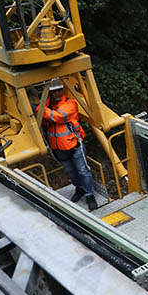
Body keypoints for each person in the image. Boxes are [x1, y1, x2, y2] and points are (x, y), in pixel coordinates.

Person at [39, 78, 97, 211]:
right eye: (54, 91)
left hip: (75, 146)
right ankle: (79, 189)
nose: (58, 93)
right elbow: (46, 123)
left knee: (83, 170)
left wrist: (40, 109)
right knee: (71, 172)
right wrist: (43, 109)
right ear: (49, 93)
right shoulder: (48, 108)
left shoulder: (70, 104)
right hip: (59, 150)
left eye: (60, 90)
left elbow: (58, 117)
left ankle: (89, 194)